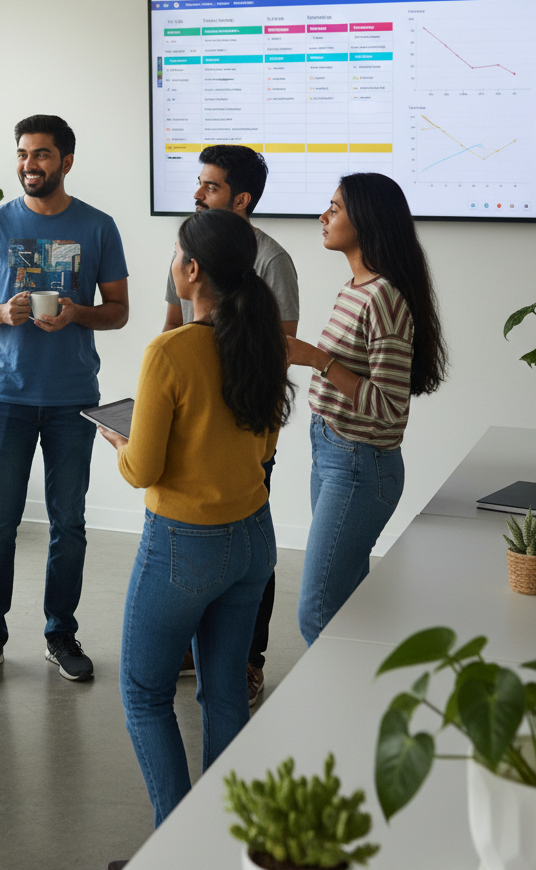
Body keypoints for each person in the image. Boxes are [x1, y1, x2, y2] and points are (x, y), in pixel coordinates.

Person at [100, 207, 293, 827]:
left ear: (192, 270)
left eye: (176, 256)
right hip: (253, 541)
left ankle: (172, 850)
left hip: (184, 546)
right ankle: (218, 842)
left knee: (145, 695)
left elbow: (144, 470)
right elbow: (263, 451)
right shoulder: (262, 343)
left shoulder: (171, 351)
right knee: (225, 694)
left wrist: (121, 444)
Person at [0, 114, 129, 684]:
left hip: (72, 397)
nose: (31, 164)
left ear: (67, 161)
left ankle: (61, 632)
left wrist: (79, 314)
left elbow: (119, 311)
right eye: (24, 154)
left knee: (69, 523)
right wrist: (2, 312)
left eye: (43, 155)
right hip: (6, 395)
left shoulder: (98, 227)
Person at [162, 145, 299, 705]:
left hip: (243, 423)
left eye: (210, 187)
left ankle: (247, 658)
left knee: (249, 542)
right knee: (195, 537)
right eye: (199, 184)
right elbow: (172, 328)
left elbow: (281, 348)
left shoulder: (273, 261)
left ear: (241, 200)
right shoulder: (186, 248)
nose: (197, 195)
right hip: (190, 423)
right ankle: (198, 649)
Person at [288, 173, 447, 646]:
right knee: (347, 611)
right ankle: (366, 712)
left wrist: (316, 358)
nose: (323, 216)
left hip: (359, 463)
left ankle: (340, 715)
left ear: (367, 220)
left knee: (317, 613)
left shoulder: (384, 297)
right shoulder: (356, 287)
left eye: (334, 209)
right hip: (333, 453)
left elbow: (389, 407)